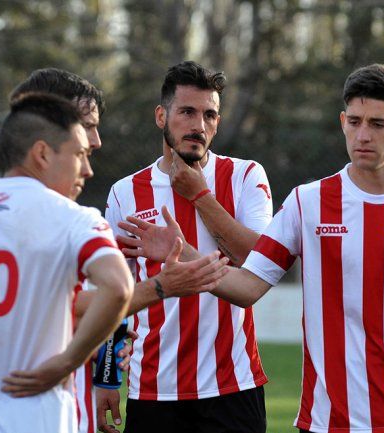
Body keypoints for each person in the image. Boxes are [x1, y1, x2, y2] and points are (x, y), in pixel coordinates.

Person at [118, 63, 384, 433]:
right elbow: (247, 287)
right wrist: (184, 252)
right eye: (354, 122)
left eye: (377, 124)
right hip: (327, 421)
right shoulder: (308, 202)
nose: (363, 135)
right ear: (342, 122)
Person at [10, 68, 230, 433]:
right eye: (85, 125)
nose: (96, 140)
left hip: (226, 386)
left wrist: (104, 358)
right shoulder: (92, 212)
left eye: (209, 114)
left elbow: (81, 302)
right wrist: (160, 287)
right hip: (50, 406)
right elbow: (88, 298)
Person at [105, 61, 273, 433]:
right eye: (187, 112)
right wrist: (105, 376)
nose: (199, 125)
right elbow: (116, 292)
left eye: (209, 114)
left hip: (233, 386)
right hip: (153, 390)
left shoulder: (245, 176)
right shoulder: (125, 192)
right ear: (161, 115)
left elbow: (259, 262)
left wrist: (199, 196)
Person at [0, 93, 134, 433]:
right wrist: (67, 362)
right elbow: (119, 287)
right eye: (79, 154)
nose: (87, 169)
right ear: (43, 154)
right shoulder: (75, 219)